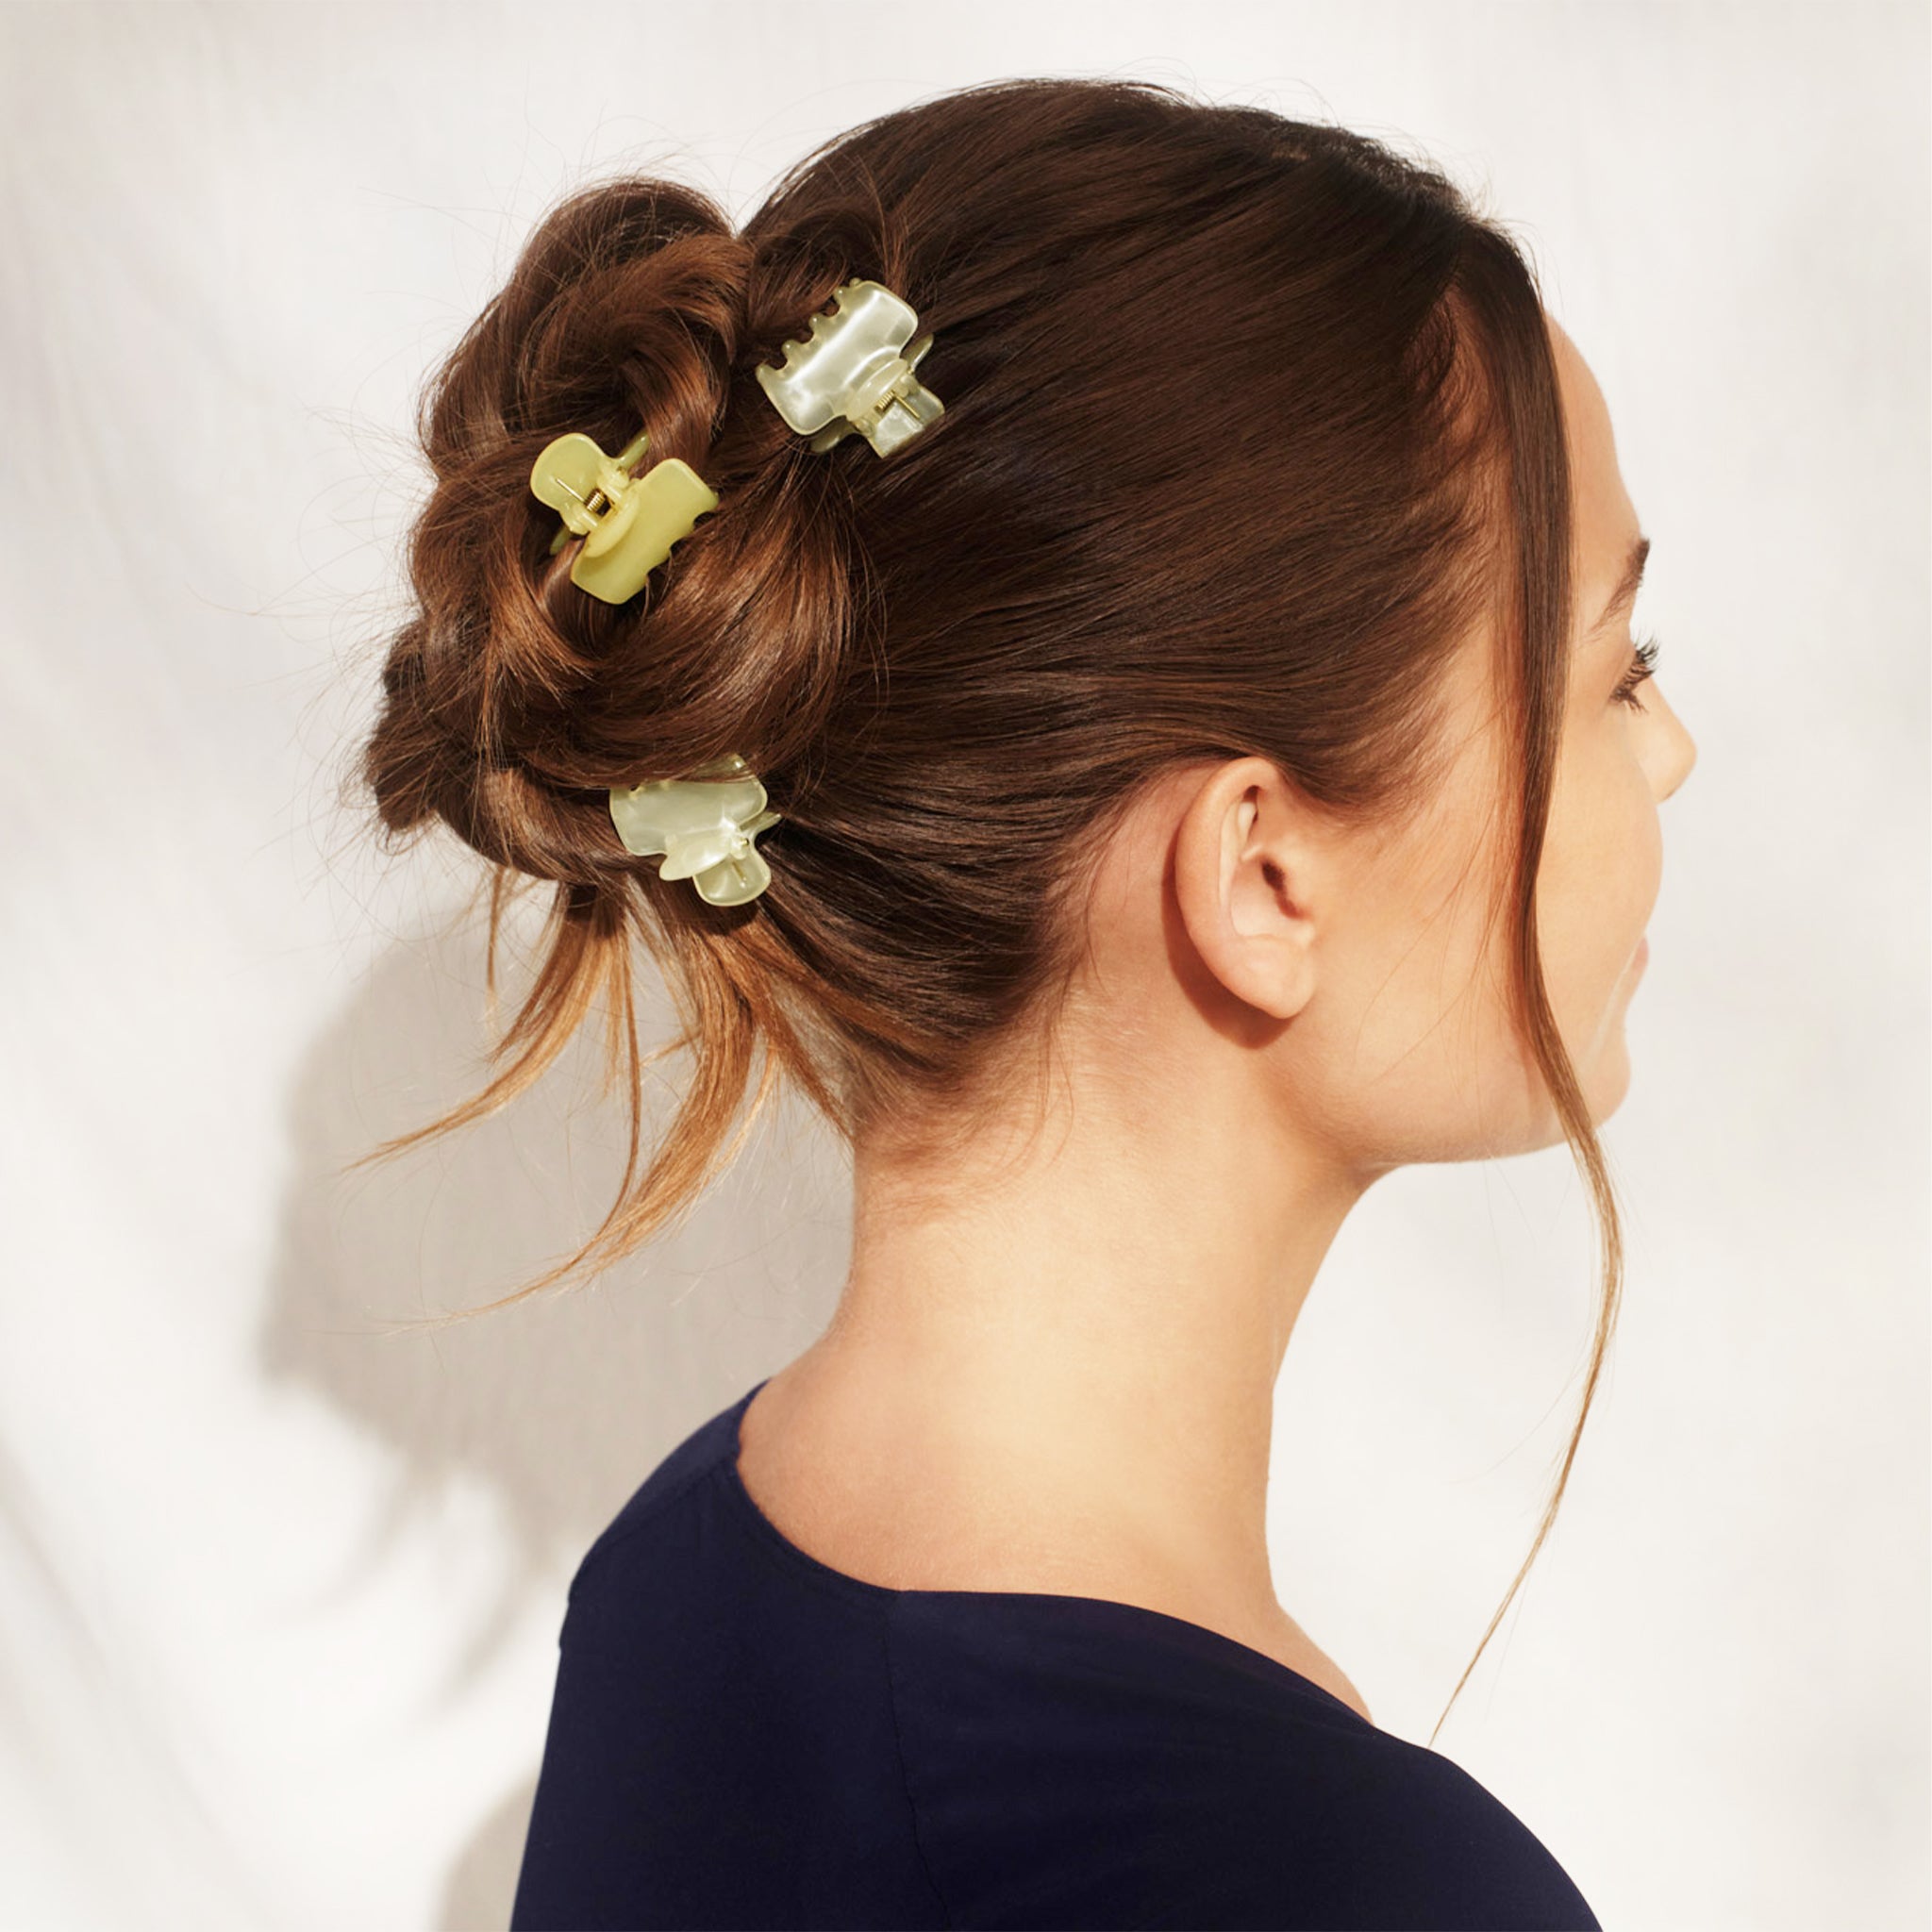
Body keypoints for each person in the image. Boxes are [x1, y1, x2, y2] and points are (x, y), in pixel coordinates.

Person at [357, 73, 1694, 1931]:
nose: (1677, 752)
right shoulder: (1332, 1880)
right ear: (1261, 877)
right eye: (1619, 672)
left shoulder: (678, 1579)